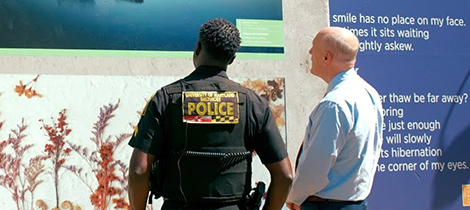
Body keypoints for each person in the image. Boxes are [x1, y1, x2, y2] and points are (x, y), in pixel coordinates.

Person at [128, 18, 293, 210]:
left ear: (197, 48)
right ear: (232, 59)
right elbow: (285, 176)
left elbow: (139, 170)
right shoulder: (253, 104)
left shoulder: (165, 99)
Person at [286, 27, 384, 210]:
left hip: (326, 205)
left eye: (313, 47)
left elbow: (316, 165)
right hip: (354, 202)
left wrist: (294, 197)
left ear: (326, 58)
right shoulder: (369, 93)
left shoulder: (335, 104)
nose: (309, 52)